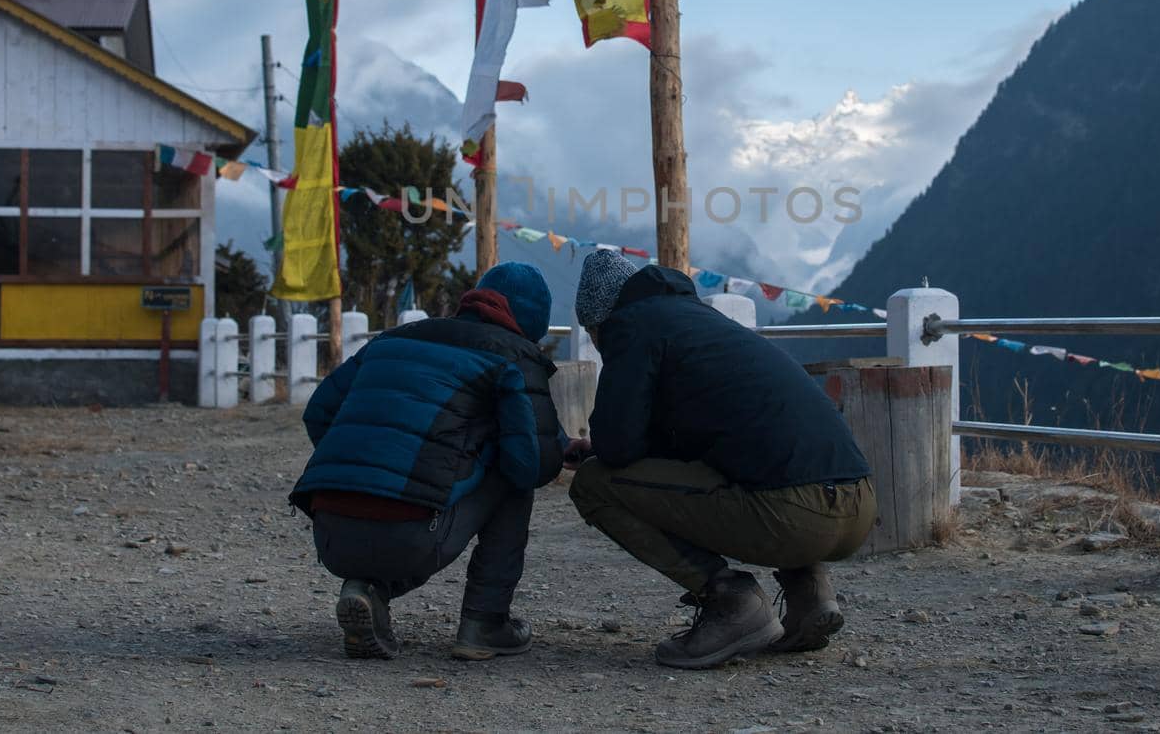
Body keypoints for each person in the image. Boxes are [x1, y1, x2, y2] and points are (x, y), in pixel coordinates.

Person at [567, 251, 875, 670]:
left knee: (593, 484)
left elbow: (618, 449)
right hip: (858, 508)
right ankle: (810, 593)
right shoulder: (699, 323)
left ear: (599, 321)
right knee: (753, 457)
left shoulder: (631, 327)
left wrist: (600, 448)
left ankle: (733, 604)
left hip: (795, 517)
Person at [289, 262, 565, 661]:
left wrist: (368, 464)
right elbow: (532, 465)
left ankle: (367, 591)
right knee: (511, 481)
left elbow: (318, 414)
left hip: (331, 532)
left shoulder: (392, 340)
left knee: (416, 491)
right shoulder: (514, 356)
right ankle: (484, 623)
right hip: (409, 535)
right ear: (533, 320)